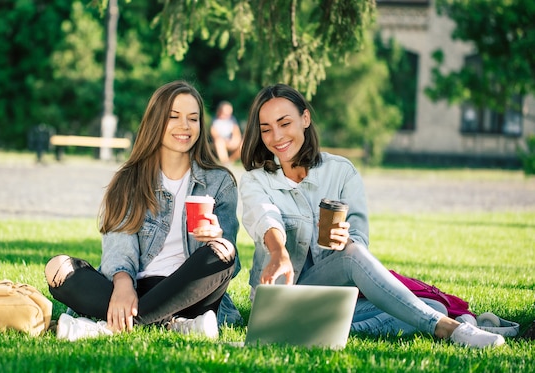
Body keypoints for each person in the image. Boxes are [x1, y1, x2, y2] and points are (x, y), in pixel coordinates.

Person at [238, 83, 505, 348]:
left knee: (433, 305)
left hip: (330, 298)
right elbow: (265, 216)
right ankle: (449, 328)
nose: (277, 136)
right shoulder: (256, 181)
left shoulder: (341, 172)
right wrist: (278, 251)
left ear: (305, 118)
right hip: (283, 300)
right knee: (426, 311)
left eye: (285, 123)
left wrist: (346, 241)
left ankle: (317, 330)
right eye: (266, 129)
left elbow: (358, 243)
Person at [45, 80, 241, 341]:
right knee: (57, 268)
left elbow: (229, 265)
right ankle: (176, 323)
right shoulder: (129, 180)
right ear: (156, 121)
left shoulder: (220, 182)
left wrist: (217, 236)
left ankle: (105, 328)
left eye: (193, 119)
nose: (184, 126)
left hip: (191, 291)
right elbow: (118, 244)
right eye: (174, 117)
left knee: (224, 251)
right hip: (138, 288)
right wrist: (123, 284)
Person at [210, 100, 242, 165]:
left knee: (244, 144)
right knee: (219, 142)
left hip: (231, 142)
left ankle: (230, 161)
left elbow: (237, 133)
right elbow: (215, 135)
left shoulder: (232, 120)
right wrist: (225, 141)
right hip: (220, 142)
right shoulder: (215, 120)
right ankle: (225, 162)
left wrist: (234, 140)